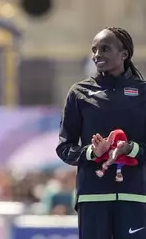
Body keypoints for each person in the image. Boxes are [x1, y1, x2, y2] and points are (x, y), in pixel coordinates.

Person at [56, 27, 146, 238]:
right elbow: (64, 147)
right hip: (92, 198)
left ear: (124, 54)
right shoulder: (78, 93)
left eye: (105, 49)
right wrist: (92, 153)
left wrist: (131, 149)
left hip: (135, 196)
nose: (97, 55)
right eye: (94, 49)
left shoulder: (143, 93)